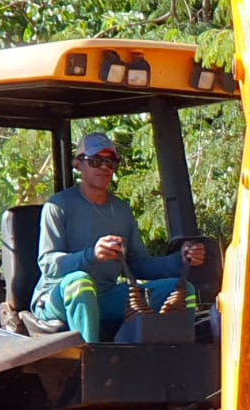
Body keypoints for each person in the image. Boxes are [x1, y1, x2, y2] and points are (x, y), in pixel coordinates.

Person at [31, 132, 205, 342]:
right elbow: (49, 264)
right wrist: (91, 255)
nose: (105, 168)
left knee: (184, 290)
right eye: (96, 161)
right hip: (58, 297)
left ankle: (179, 361)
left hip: (106, 296)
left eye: (111, 162)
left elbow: (139, 264)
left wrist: (181, 259)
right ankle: (92, 361)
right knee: (80, 282)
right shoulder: (57, 206)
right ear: (78, 164)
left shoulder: (121, 210)